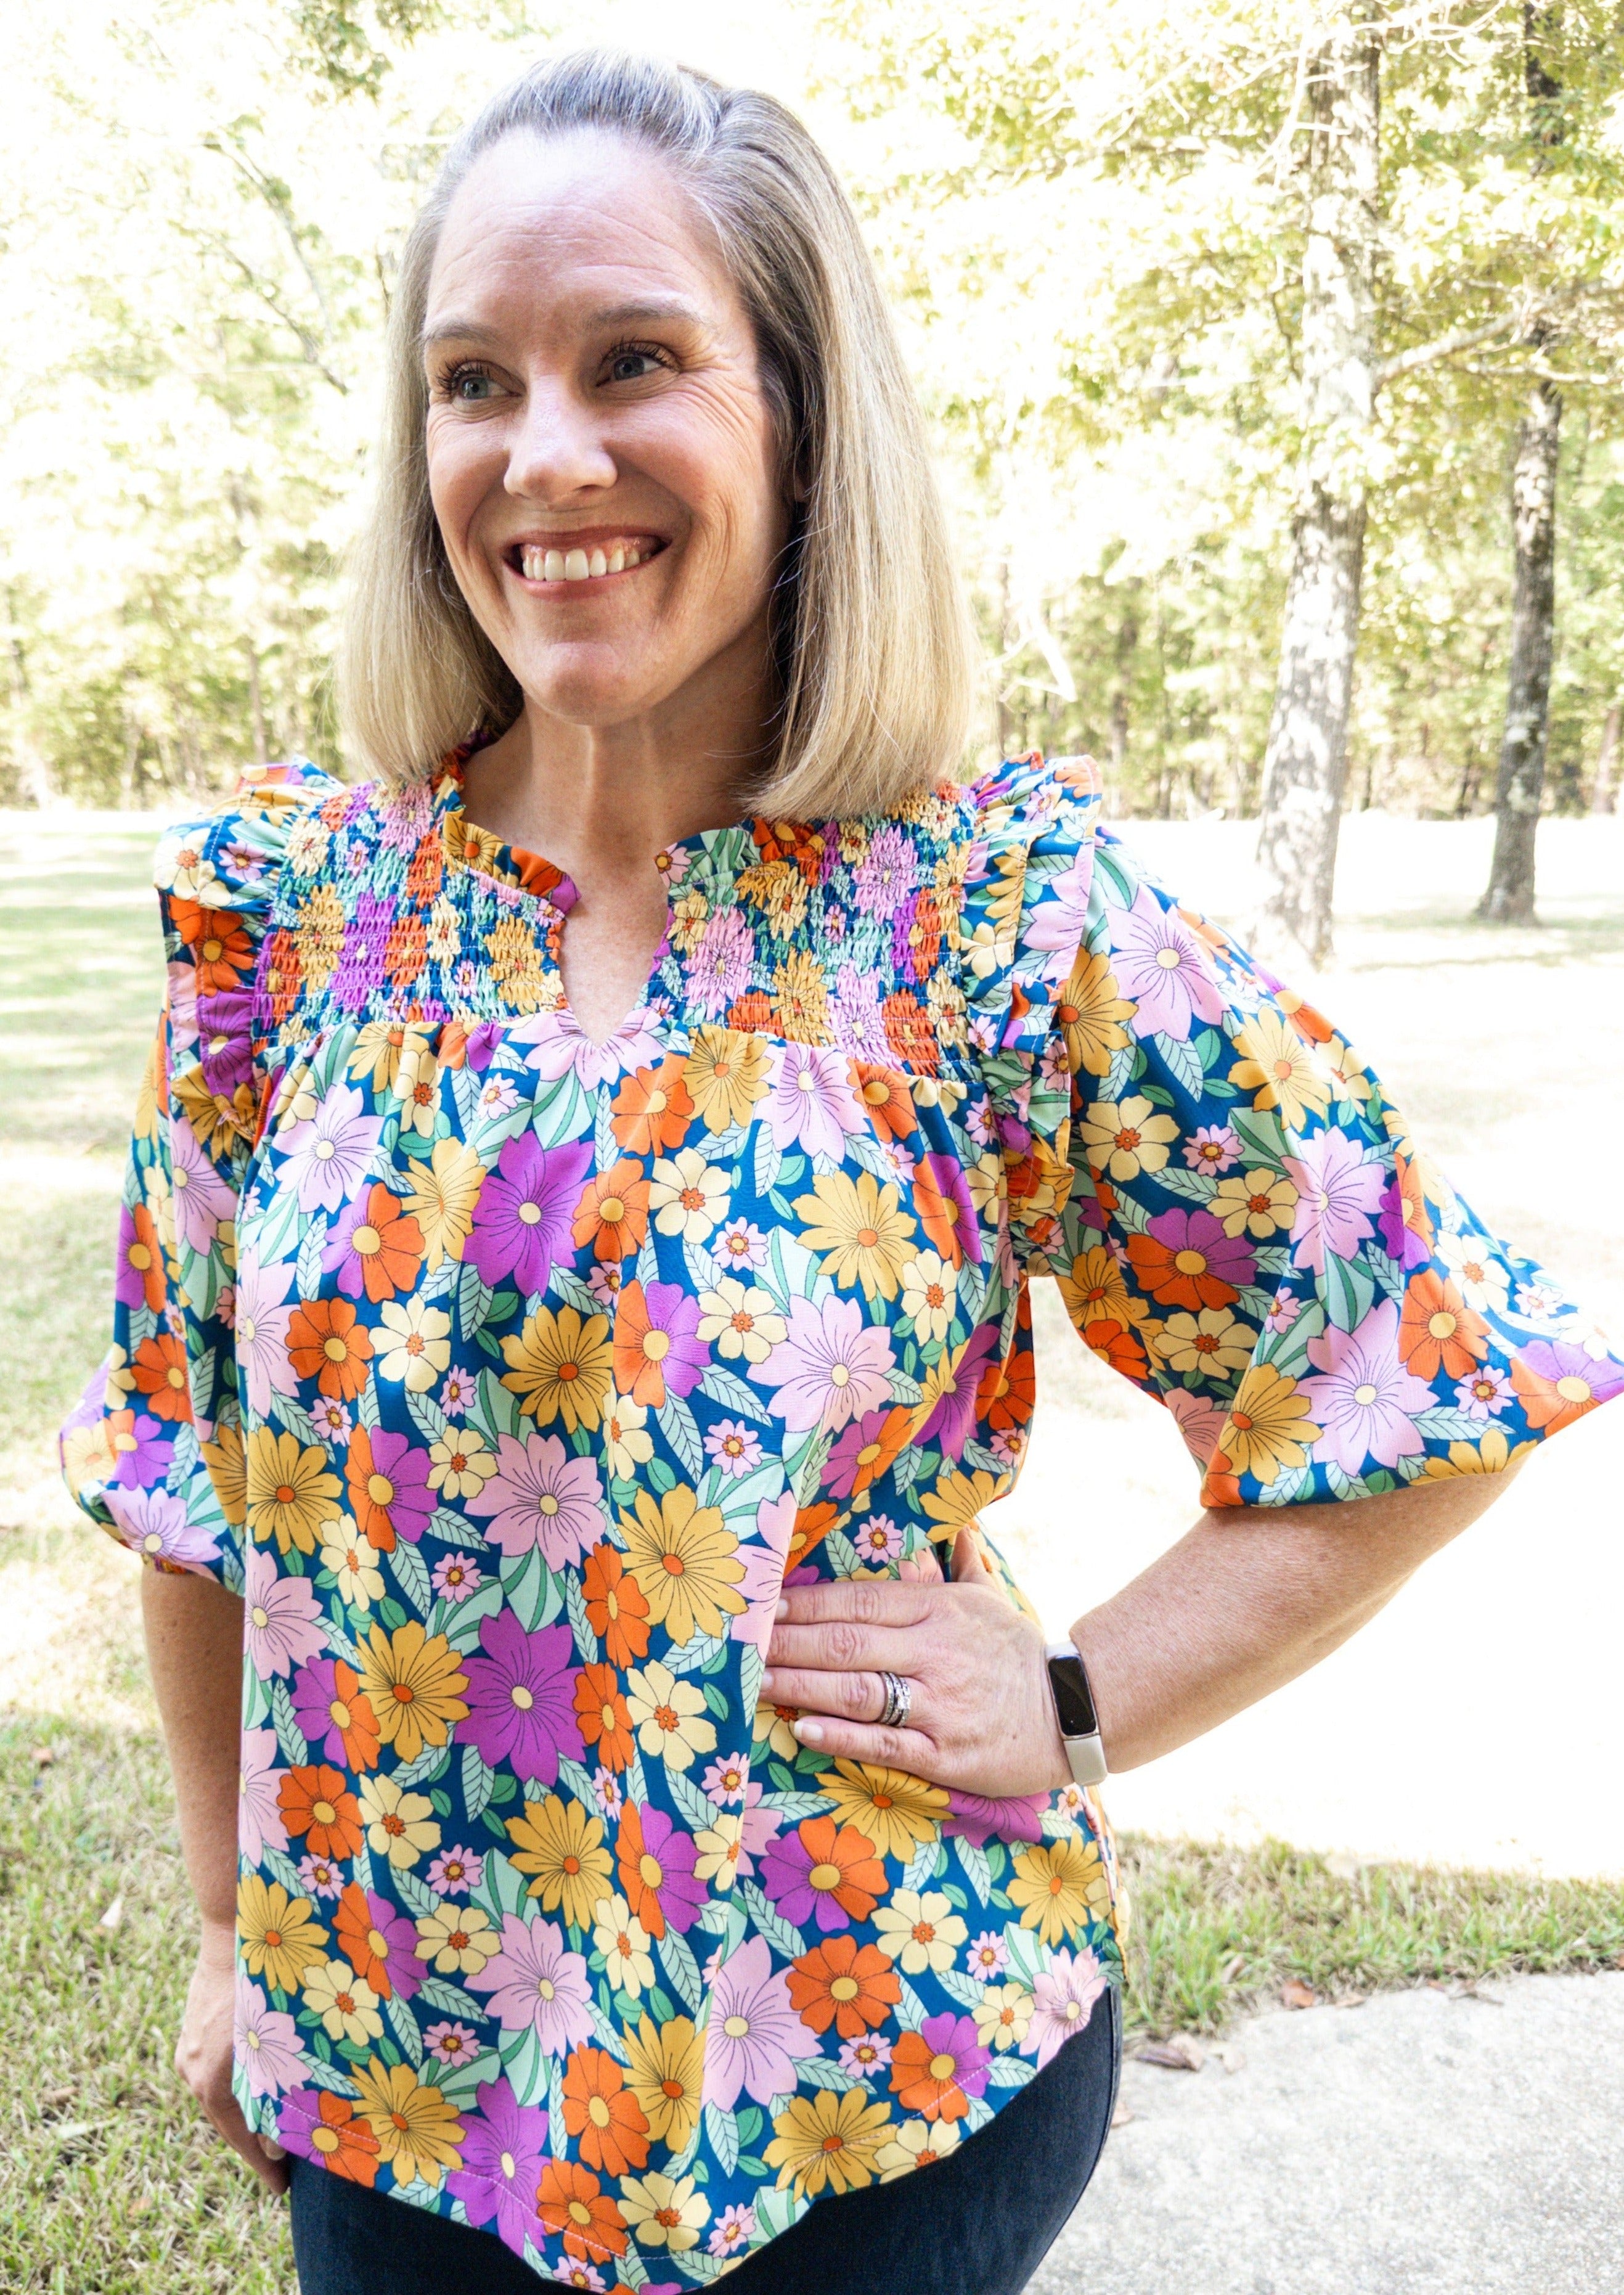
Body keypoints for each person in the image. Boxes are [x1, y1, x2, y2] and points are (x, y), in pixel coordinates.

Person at [60, 47, 1623, 2295]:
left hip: (861, 2078)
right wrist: (228, 1926)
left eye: (636, 362)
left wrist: (1072, 1700)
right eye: (474, 380)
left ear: (798, 418)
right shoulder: (291, 921)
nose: (546, 454)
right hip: (394, 2071)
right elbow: (189, 1473)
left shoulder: (991, 917)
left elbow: (1414, 1365)